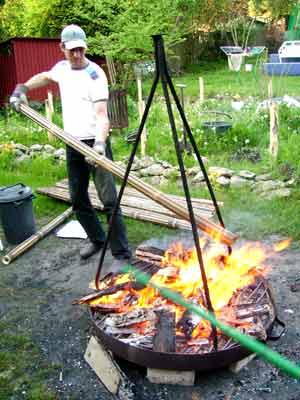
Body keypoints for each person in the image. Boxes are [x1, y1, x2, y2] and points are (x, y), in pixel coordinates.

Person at [10, 24, 132, 265]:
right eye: (72, 50)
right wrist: (23, 87)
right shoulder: (62, 68)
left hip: (95, 143)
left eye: (81, 50)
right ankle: (97, 239)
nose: (77, 55)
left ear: (85, 48)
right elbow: (45, 77)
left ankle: (122, 253)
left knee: (109, 200)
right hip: (71, 142)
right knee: (77, 199)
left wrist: (99, 145)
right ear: (62, 48)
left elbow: (101, 116)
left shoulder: (95, 75)